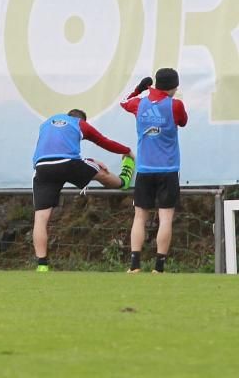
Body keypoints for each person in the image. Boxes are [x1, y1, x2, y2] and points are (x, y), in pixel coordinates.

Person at [30, 109, 134, 272]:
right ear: (83, 120)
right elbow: (104, 141)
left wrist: (87, 160)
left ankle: (42, 265)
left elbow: (52, 148)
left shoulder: (46, 123)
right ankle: (124, 181)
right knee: (100, 172)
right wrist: (126, 150)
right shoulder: (80, 124)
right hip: (67, 162)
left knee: (41, 218)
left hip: (42, 167)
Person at [120, 69, 187, 274]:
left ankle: (134, 265)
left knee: (140, 217)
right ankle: (159, 267)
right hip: (168, 169)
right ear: (173, 87)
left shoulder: (139, 104)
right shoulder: (175, 105)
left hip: (145, 169)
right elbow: (183, 121)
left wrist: (139, 89)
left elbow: (124, 102)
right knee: (165, 218)